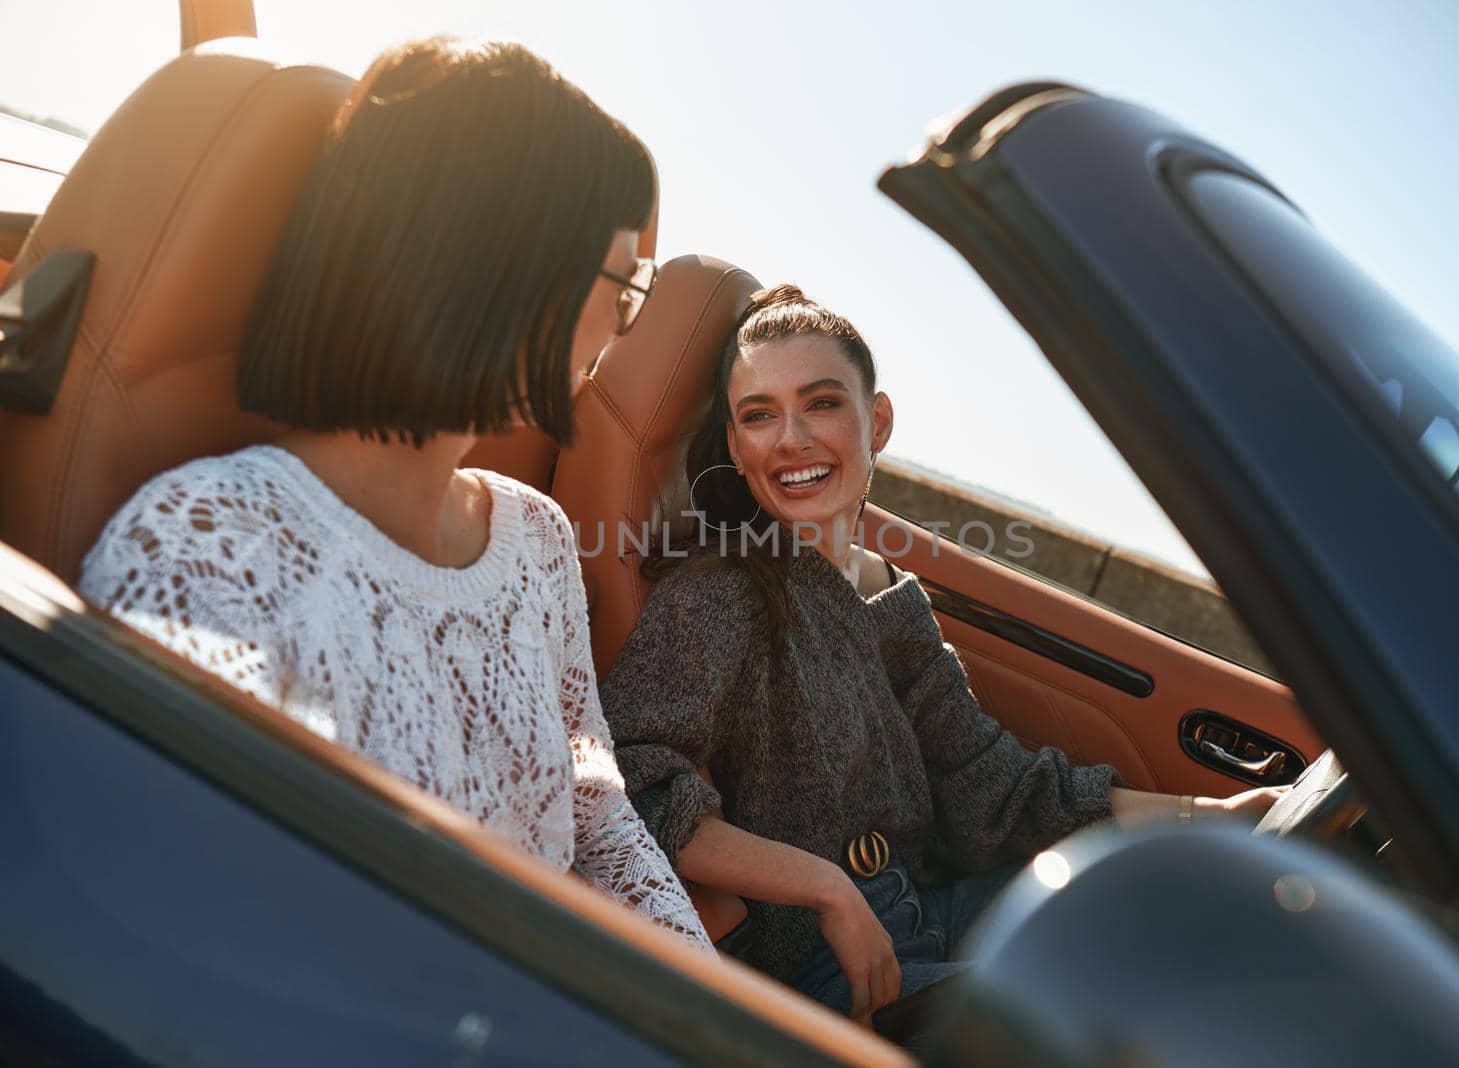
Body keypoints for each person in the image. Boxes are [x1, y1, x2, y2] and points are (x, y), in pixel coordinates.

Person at [78, 38, 708, 947]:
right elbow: (219, 937)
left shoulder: (535, 536)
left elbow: (597, 813)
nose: (623, 321)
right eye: (622, 283)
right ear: (503, 269)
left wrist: (711, 1017)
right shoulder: (206, 553)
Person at [599, 284, 1283, 1015]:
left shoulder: (893, 594)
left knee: (1200, 917)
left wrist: (1212, 816)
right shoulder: (720, 592)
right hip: (830, 966)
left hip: (946, 913)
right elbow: (631, 780)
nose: (791, 438)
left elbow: (996, 789)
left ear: (878, 421)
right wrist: (823, 886)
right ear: (737, 446)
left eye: (822, 403)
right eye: (760, 415)